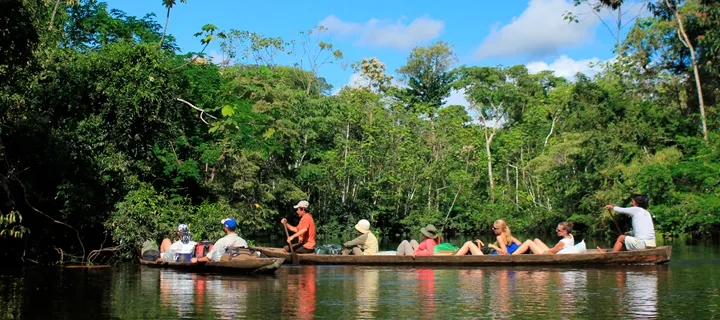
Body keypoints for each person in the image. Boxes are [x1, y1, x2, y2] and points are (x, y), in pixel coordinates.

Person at [455, 219, 522, 255]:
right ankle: (456, 254)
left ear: (501, 229)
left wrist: (493, 246)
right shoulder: (508, 236)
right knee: (476, 242)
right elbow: (519, 243)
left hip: (482, 256)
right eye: (493, 227)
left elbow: (504, 252)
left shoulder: (499, 237)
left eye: (495, 228)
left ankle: (454, 258)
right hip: (486, 252)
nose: (493, 229)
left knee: (468, 243)